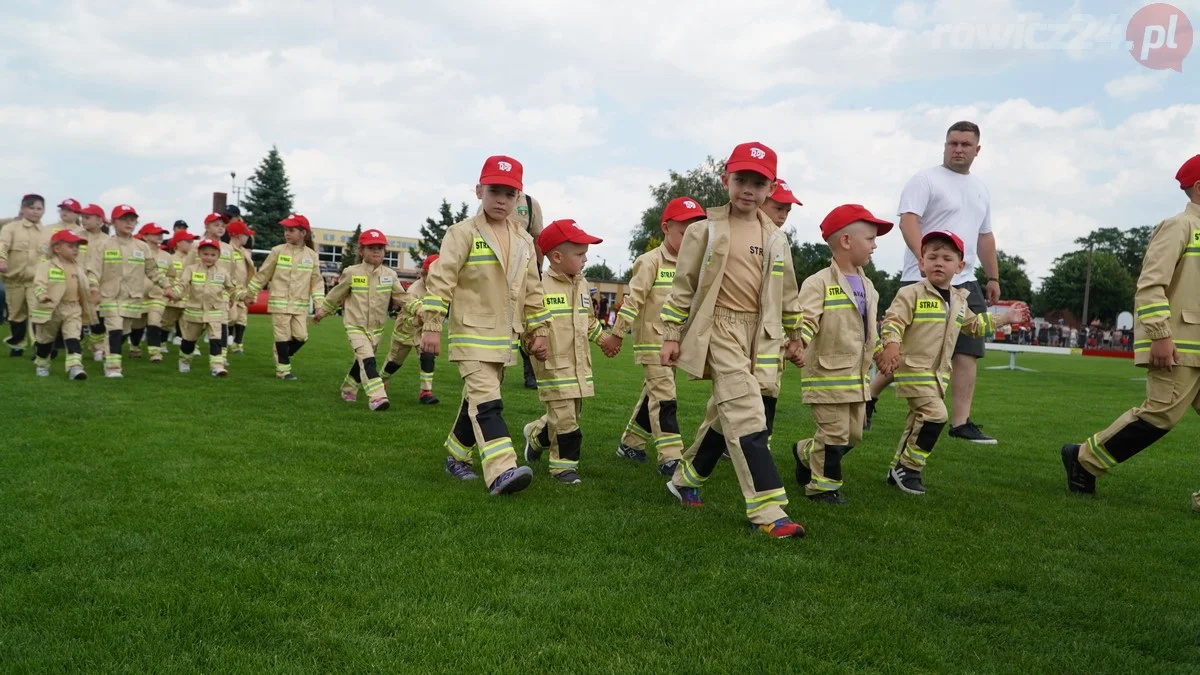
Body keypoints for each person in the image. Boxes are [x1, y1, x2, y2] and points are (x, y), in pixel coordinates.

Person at [659, 141, 806, 539]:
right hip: (719, 329)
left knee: (726, 414)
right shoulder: (702, 229)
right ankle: (768, 510)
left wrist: (796, 334)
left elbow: (788, 293)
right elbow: (682, 288)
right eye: (741, 179)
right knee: (748, 414)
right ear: (726, 180)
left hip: (761, 336)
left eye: (758, 183)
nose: (748, 189)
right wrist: (671, 334)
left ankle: (686, 476)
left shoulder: (777, 238)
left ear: (770, 188)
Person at [1060, 154, 1200, 504]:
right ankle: (1084, 460)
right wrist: (1160, 334)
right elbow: (1151, 285)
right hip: (1180, 345)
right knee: (1159, 416)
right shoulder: (1179, 226)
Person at [419, 155, 549, 496]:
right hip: (470, 332)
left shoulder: (524, 241)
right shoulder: (460, 234)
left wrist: (539, 332)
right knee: (489, 403)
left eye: (510, 193)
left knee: (475, 401)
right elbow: (441, 279)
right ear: (479, 190)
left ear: (519, 198)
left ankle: (456, 455)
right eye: (494, 191)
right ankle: (502, 470)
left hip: (504, 338)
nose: (501, 199)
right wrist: (432, 324)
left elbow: (533, 290)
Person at [866, 121, 1001, 444]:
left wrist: (993, 275)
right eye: (953, 143)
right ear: (944, 145)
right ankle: (868, 397)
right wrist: (925, 263)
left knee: (969, 350)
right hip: (921, 278)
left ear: (977, 150)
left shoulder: (980, 189)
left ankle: (961, 422)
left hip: (965, 281)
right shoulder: (925, 179)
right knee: (911, 355)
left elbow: (985, 236)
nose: (958, 149)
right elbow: (908, 221)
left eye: (966, 144)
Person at [876, 231, 1026, 495]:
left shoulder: (958, 300)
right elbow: (893, 321)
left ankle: (896, 468)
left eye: (947, 258)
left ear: (960, 266)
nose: (938, 263)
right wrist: (891, 345)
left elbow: (974, 326)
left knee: (916, 421)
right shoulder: (910, 293)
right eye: (932, 257)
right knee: (936, 415)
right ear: (921, 263)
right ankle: (910, 468)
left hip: (938, 375)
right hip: (914, 370)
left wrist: (1006, 317)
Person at [792, 204, 893, 504]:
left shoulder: (869, 287)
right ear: (846, 241)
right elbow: (807, 320)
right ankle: (823, 487)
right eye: (870, 238)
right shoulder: (818, 283)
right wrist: (799, 342)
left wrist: (880, 353)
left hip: (856, 379)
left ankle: (804, 452)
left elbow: (867, 331)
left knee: (854, 435)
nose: (875, 245)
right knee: (835, 434)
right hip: (826, 376)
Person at [604, 196, 706, 475]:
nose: (689, 241)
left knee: (654, 394)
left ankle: (630, 443)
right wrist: (617, 334)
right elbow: (633, 300)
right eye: (684, 233)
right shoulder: (649, 262)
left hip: (676, 345)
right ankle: (670, 457)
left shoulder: (694, 267)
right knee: (665, 399)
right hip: (652, 343)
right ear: (665, 227)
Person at [521, 219, 611, 484]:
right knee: (566, 419)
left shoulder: (582, 284)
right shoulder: (539, 287)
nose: (585, 259)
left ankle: (536, 435)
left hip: (578, 365)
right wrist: (532, 344)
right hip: (551, 363)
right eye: (580, 254)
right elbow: (528, 323)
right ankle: (563, 467)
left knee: (569, 413)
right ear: (557, 257)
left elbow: (588, 321)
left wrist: (603, 339)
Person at [316, 229, 410, 411]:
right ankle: (377, 397)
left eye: (380, 248)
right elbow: (336, 295)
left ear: (385, 252)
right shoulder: (351, 272)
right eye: (371, 248)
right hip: (355, 326)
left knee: (362, 360)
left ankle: (348, 388)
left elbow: (402, 297)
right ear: (361, 251)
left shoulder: (390, 275)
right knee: (368, 360)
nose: (376, 251)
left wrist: (417, 309)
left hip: (377, 329)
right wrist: (322, 312)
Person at [86, 204, 175, 378]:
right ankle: (113, 367)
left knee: (124, 332)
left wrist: (166, 287)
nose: (129, 223)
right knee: (115, 329)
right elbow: (93, 270)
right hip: (109, 296)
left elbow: (153, 271)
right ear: (114, 222)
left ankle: (104, 349)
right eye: (124, 219)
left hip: (133, 298)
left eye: (132, 220)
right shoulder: (103, 245)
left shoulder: (142, 247)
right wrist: (94, 290)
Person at [246, 213, 324, 380]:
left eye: (291, 230)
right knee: (282, 336)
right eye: (285, 230)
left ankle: (282, 354)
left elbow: (316, 282)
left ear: (303, 233)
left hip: (300, 305)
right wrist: (250, 294)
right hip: (279, 303)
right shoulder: (277, 251)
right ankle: (283, 370)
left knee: (301, 336)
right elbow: (263, 275)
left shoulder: (312, 256)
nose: (287, 233)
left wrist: (319, 305)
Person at [482, 194, 544, 389]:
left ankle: (530, 371)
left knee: (527, 323)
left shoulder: (530, 204)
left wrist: (537, 271)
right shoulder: (489, 199)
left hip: (523, 271)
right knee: (499, 324)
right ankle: (488, 370)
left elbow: (538, 239)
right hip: (495, 275)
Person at [172, 238, 241, 377]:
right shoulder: (191, 269)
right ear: (199, 254)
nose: (209, 258)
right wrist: (175, 293)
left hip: (215, 311)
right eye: (206, 254)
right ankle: (184, 361)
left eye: (213, 255)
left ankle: (217, 367)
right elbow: (182, 284)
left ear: (218, 256)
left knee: (216, 338)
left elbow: (232, 288)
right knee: (189, 341)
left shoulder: (222, 272)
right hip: (194, 311)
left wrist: (237, 298)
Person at [31, 229, 92, 380]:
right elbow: (38, 283)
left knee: (73, 336)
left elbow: (84, 285)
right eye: (71, 246)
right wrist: (42, 295)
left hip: (73, 307)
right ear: (57, 248)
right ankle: (42, 363)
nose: (75, 249)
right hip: (51, 308)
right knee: (45, 340)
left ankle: (75, 367)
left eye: (77, 246)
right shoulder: (46, 266)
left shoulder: (78, 267)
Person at [382, 253, 441, 404]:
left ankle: (426, 392)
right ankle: (381, 380)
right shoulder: (413, 291)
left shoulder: (441, 290)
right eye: (431, 276)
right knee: (394, 362)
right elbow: (404, 317)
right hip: (406, 332)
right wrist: (418, 319)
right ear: (423, 274)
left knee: (427, 357)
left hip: (424, 333)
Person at [0, 194, 47, 356]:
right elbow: (2, 245)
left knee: (37, 312)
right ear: (22, 209)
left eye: (39, 208)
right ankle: (17, 344)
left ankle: (38, 347)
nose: (35, 212)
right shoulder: (11, 228)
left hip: (36, 281)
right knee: (16, 314)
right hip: (14, 280)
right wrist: (2, 260)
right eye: (31, 208)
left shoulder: (47, 233)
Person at [187, 213, 238, 360]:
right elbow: (187, 269)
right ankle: (190, 349)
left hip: (220, 295)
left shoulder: (229, 248)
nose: (221, 228)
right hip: (198, 295)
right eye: (216, 225)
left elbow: (232, 272)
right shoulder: (196, 246)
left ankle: (220, 358)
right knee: (195, 326)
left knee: (222, 324)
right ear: (207, 226)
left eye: (223, 226)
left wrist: (231, 293)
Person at [129, 223, 171, 362]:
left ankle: (155, 353)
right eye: (155, 233)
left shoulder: (166, 256)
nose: (160, 236)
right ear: (145, 236)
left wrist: (168, 287)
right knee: (137, 326)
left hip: (158, 296)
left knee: (155, 321)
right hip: (139, 294)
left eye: (161, 233)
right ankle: (135, 346)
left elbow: (172, 275)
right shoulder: (137, 252)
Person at [162, 230, 197, 349]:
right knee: (166, 322)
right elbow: (165, 276)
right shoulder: (170, 258)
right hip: (173, 297)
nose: (191, 244)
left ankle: (189, 346)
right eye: (188, 241)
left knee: (188, 323)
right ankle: (161, 343)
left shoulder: (194, 260)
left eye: (192, 241)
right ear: (177, 243)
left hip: (189, 298)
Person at [226, 220, 257, 354]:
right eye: (246, 234)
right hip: (231, 291)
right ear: (238, 235)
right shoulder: (227, 251)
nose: (248, 237)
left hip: (243, 291)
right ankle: (219, 340)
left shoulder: (244, 251)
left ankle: (237, 345)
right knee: (230, 318)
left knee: (242, 319)